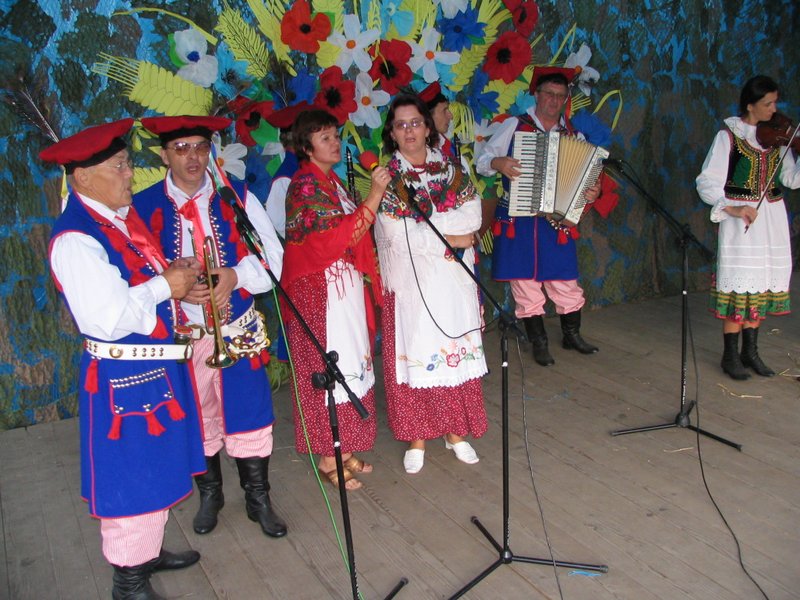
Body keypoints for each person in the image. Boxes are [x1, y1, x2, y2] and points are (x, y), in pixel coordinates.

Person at [43, 119, 206, 600]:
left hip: (151, 368)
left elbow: (137, 281)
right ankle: (129, 581)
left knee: (154, 468)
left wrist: (172, 275)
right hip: (124, 378)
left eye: (128, 163)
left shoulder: (116, 218)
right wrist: (165, 286)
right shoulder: (77, 239)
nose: (130, 173)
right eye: (119, 166)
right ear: (83, 177)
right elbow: (107, 318)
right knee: (133, 476)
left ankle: (146, 552)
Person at [135, 115, 287, 539]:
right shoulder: (143, 207)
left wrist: (235, 277)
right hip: (183, 335)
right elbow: (135, 278)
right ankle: (211, 494)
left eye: (201, 147)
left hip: (236, 329)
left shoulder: (236, 197)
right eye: (181, 148)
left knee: (249, 411)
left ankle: (258, 498)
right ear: (164, 155)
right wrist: (175, 289)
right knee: (197, 416)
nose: (193, 157)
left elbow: (274, 260)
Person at [376, 94, 488, 474]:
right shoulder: (389, 179)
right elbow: (397, 236)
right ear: (392, 133)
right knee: (418, 354)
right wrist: (450, 236)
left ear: (427, 127)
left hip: (453, 278)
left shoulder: (451, 169)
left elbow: (473, 215)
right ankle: (417, 437)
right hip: (414, 282)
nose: (409, 131)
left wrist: (429, 228)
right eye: (401, 125)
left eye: (415, 123)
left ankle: (456, 432)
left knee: (454, 351)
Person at [282, 109, 390, 490]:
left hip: (342, 290)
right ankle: (328, 457)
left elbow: (352, 231)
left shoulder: (332, 183)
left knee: (351, 366)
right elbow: (335, 239)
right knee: (326, 371)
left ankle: (343, 449)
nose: (334, 142)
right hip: (318, 295)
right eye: (324, 137)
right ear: (306, 147)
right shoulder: (304, 187)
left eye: (335, 135)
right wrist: (375, 195)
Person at [475, 67, 602, 367]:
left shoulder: (573, 136)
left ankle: (572, 334)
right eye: (549, 94)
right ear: (537, 95)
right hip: (518, 220)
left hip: (554, 222)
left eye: (560, 96)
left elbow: (585, 182)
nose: (554, 101)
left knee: (564, 279)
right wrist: (498, 162)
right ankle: (539, 341)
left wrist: (591, 192)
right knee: (524, 283)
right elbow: (482, 161)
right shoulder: (514, 126)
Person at [696, 75, 800, 380]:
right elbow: (707, 182)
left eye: (775, 102)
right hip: (741, 220)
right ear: (750, 105)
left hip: (771, 220)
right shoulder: (728, 137)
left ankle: (750, 352)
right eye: (768, 103)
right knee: (739, 288)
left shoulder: (778, 137)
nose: (774, 109)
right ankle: (730, 355)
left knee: (760, 285)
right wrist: (732, 207)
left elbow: (791, 179)